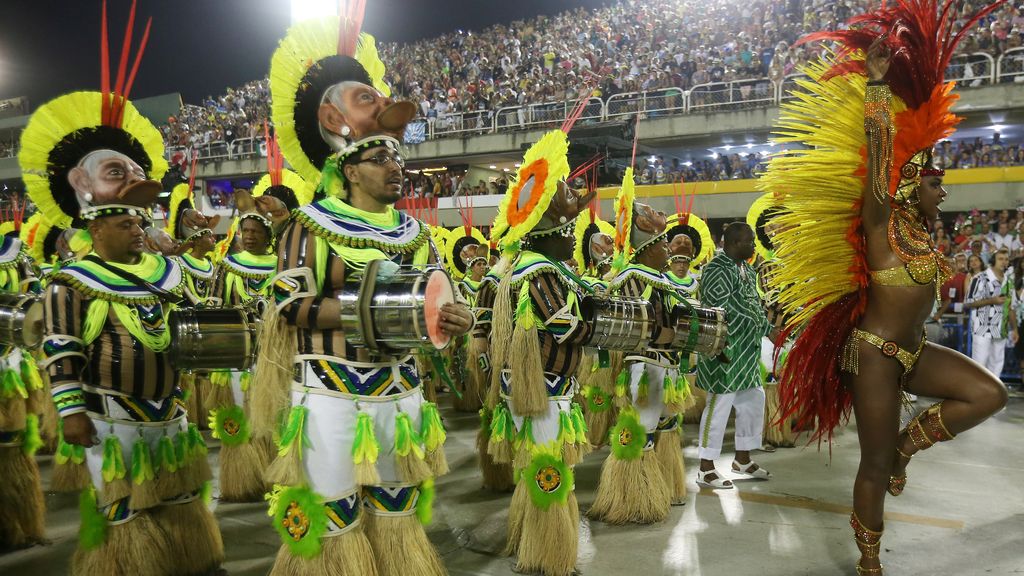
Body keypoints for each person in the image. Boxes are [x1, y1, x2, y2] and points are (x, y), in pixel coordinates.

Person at [762, 3, 1009, 573]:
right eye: (933, 181)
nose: (941, 191)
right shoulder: (881, 226)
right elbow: (878, 163)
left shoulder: (924, 235)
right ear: (907, 185)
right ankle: (869, 563)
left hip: (912, 352)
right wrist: (876, 91)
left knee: (987, 394)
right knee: (871, 464)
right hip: (872, 356)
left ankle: (905, 448)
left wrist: (911, 439)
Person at [253, 10, 468, 576]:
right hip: (329, 397)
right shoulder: (309, 225)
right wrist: (372, 314)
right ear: (348, 169)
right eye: (380, 159)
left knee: (397, 512)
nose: (395, 168)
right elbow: (289, 306)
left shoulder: (416, 234)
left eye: (398, 158)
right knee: (334, 518)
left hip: (400, 395)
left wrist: (453, 317)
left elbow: (438, 299)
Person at [26, 63, 225, 576]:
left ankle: (190, 561)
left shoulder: (166, 270)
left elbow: (190, 324)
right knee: (129, 507)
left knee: (181, 496)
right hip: (111, 417)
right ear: (94, 229)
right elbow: (62, 349)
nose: (135, 229)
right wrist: (70, 413)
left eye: (139, 221)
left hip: (171, 411)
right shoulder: (70, 281)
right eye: (122, 222)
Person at [487, 126, 595, 576]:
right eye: (569, 230)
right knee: (549, 468)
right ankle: (549, 556)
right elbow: (564, 325)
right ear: (548, 231)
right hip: (542, 389)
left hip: (543, 387)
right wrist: (600, 330)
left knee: (539, 465)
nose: (575, 239)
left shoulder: (536, 267)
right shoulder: (538, 272)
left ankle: (535, 543)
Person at [590, 167, 681, 522]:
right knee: (639, 431)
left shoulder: (658, 278)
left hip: (663, 367)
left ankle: (657, 489)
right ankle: (630, 500)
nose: (667, 250)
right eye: (661, 244)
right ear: (646, 248)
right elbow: (626, 327)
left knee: (659, 427)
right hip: (642, 367)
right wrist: (661, 336)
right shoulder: (628, 278)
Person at [694, 222, 774, 489]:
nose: (753, 246)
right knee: (719, 406)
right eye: (749, 242)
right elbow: (721, 310)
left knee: (753, 399)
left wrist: (766, 326)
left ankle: (742, 459)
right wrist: (758, 326)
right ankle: (705, 468)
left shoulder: (747, 269)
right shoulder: (716, 270)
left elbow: (754, 303)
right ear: (732, 244)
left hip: (747, 351)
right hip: (724, 350)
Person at [0, 224, 47, 551]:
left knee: (12, 447)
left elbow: (36, 296)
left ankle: (17, 524)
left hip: (9, 368)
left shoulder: (14, 252)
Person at [965, 249, 1019, 381]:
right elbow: (968, 303)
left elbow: (1011, 307)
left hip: (1002, 328)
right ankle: (976, 394)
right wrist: (992, 300)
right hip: (983, 328)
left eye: (1006, 259)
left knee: (997, 364)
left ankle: (993, 396)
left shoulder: (1009, 281)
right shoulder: (980, 278)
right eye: (1000, 259)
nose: (1004, 262)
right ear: (993, 261)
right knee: (979, 364)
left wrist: (1015, 329)